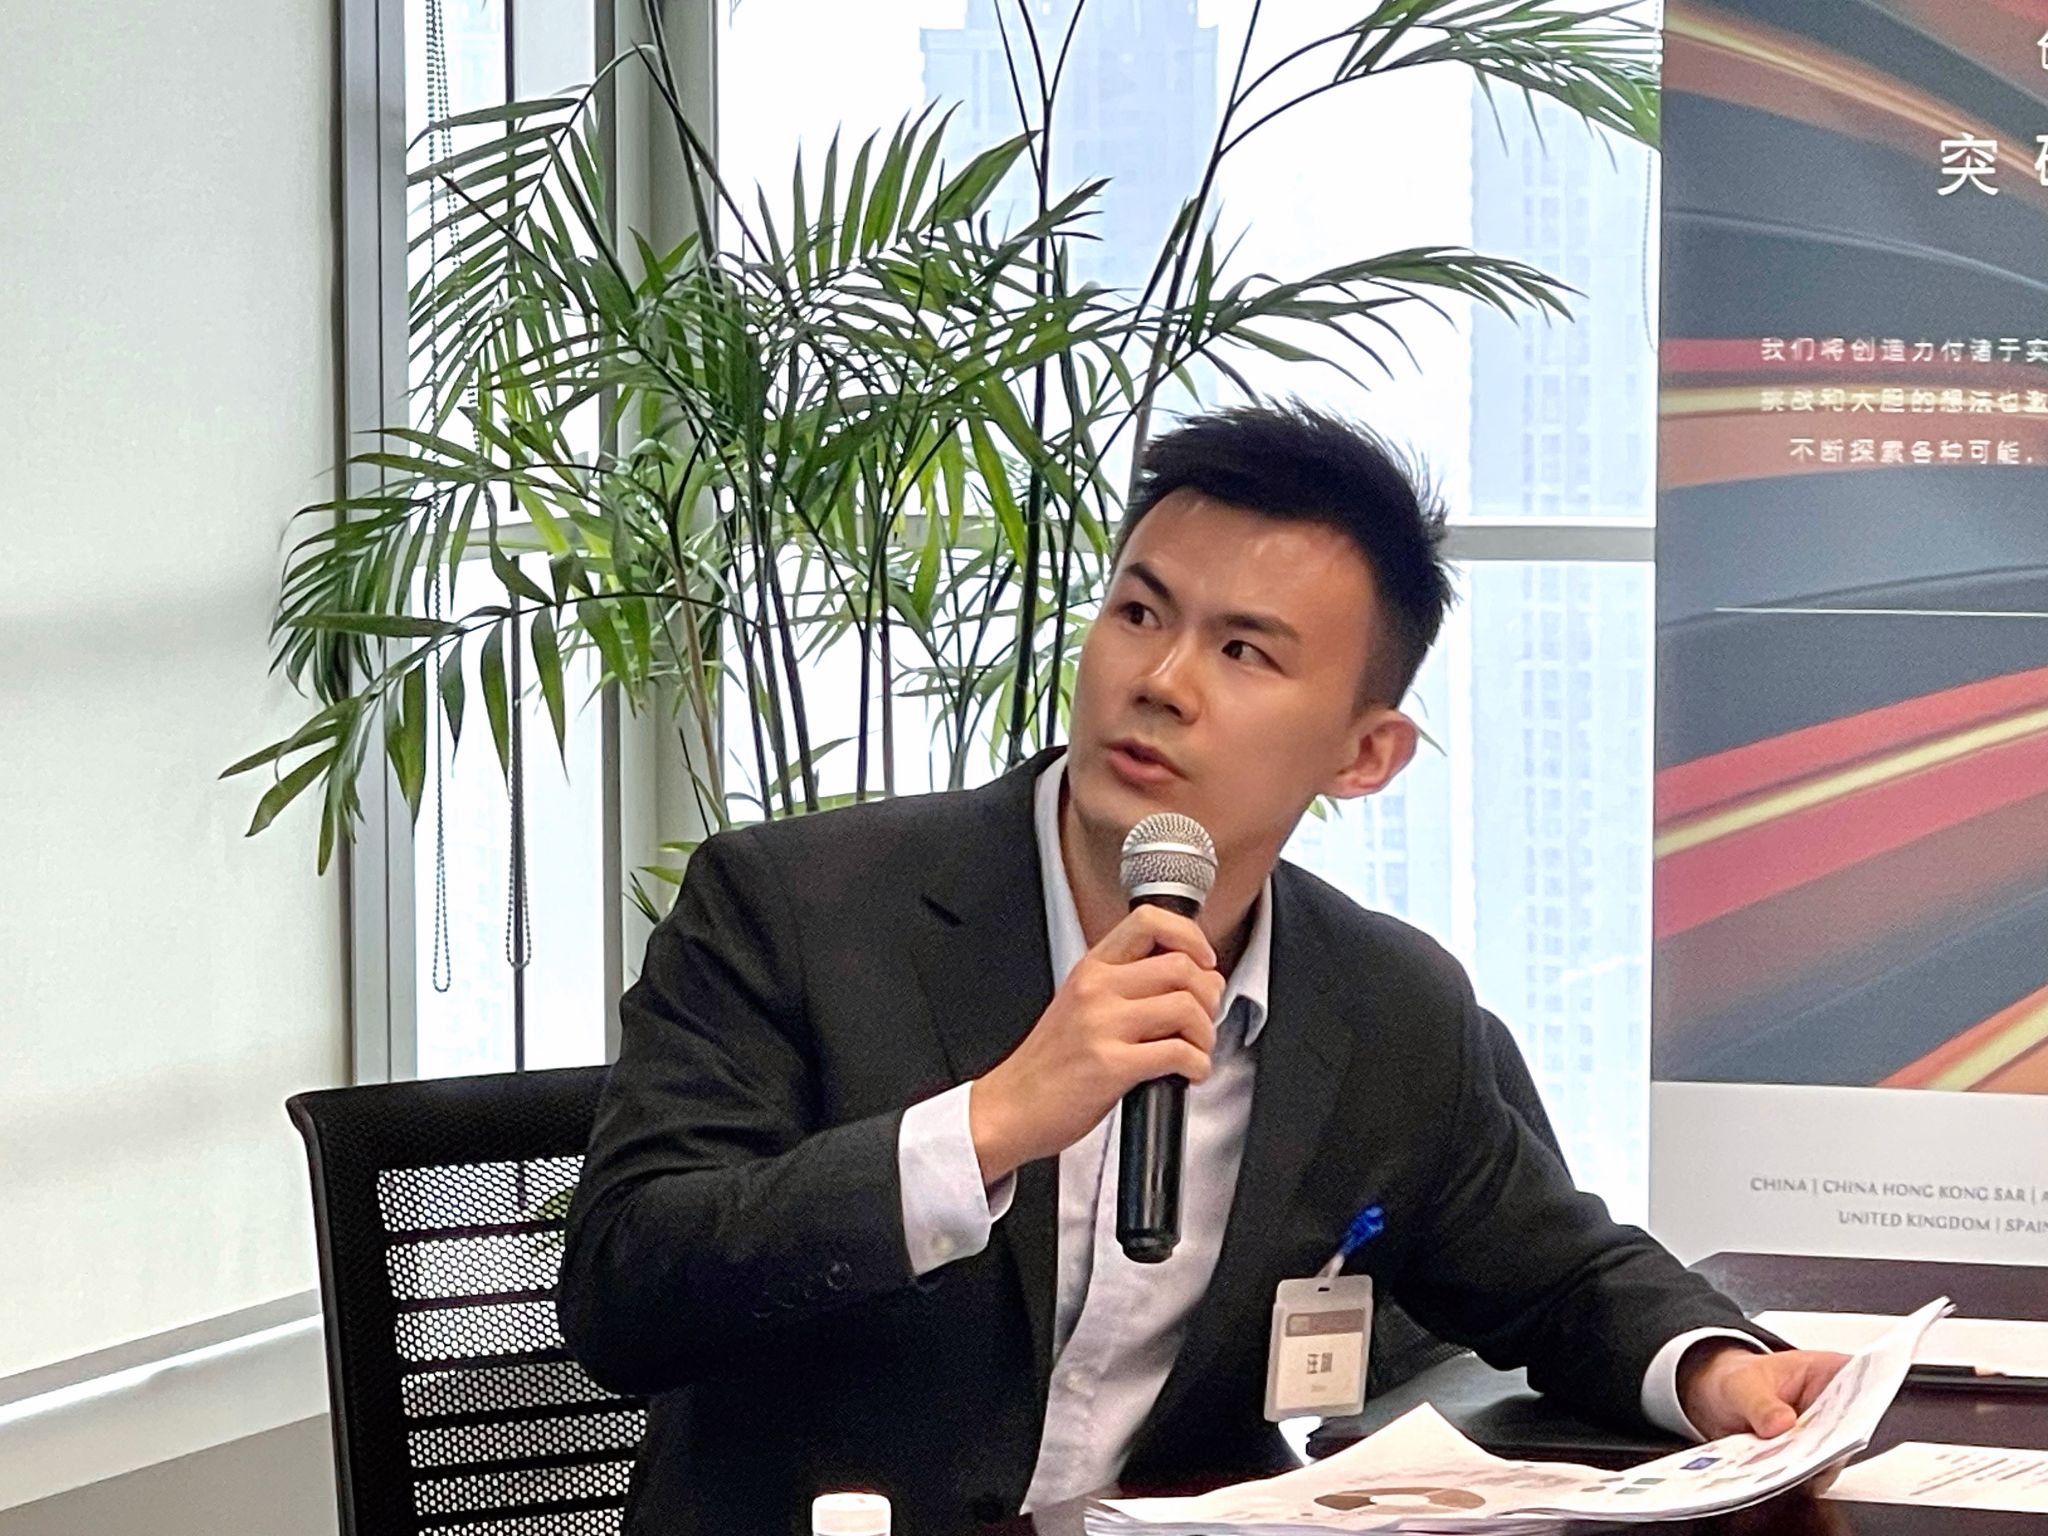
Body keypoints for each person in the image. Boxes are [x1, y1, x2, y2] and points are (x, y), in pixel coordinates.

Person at [558, 402, 1848, 1536]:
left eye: (1244, 651)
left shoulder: (1384, 1007)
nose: (1162, 681)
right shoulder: (797, 907)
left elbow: (1555, 1274)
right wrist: (990, 1124)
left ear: (1365, 755)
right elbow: (623, 1287)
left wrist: (1720, 1372)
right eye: (1138, 613)